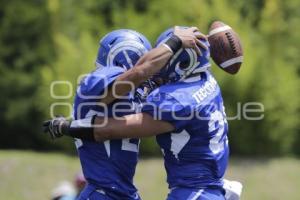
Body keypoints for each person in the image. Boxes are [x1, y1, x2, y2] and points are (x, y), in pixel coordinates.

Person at [44, 27, 237, 200]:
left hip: (187, 192)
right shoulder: (205, 82)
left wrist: (66, 126)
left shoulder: (175, 99)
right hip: (112, 192)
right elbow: (140, 73)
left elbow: (138, 78)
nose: (157, 72)